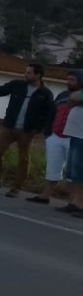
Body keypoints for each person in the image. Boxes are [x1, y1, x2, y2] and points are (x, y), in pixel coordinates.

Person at [0, 63, 55, 197]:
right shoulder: (17, 85)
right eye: (26, 72)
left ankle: (16, 187)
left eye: (29, 73)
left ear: (38, 75)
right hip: (9, 127)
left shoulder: (45, 93)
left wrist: (39, 129)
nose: (26, 74)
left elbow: (49, 113)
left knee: (23, 159)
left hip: (27, 131)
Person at [27, 70, 81, 205]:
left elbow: (73, 101)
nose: (68, 82)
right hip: (56, 135)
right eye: (68, 79)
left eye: (72, 79)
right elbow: (52, 112)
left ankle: (73, 201)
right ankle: (45, 195)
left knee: (73, 172)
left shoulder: (78, 96)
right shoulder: (62, 95)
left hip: (74, 137)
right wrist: (48, 132)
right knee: (52, 167)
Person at [58, 82, 83, 216]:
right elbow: (70, 101)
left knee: (80, 172)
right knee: (73, 173)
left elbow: (74, 97)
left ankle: (80, 204)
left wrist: (75, 98)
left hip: (81, 136)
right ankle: (74, 202)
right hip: (75, 134)